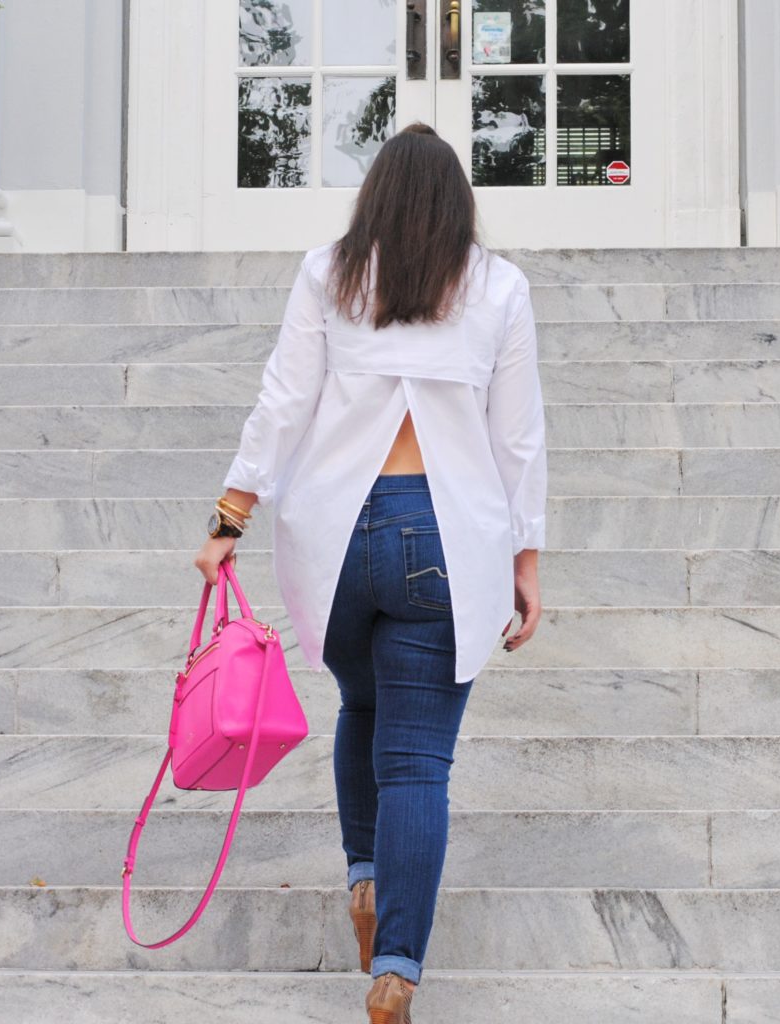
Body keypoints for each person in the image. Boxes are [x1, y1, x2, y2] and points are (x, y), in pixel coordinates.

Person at [194, 121, 547, 1024]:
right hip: (444, 541)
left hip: (338, 538)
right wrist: (527, 558)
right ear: (457, 204)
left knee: (360, 707)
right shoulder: (498, 287)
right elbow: (518, 439)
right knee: (418, 765)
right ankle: (394, 969)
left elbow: (284, 397)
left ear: (375, 197)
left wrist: (230, 515)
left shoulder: (330, 273)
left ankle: (362, 876)